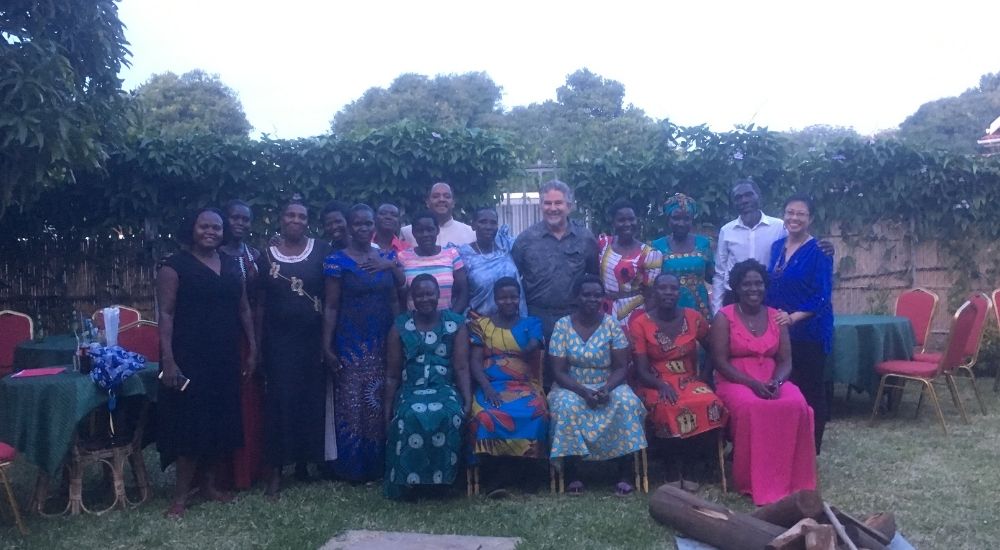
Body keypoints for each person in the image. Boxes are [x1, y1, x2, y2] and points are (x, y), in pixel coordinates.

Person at [157, 207, 256, 518]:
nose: (211, 232)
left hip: (224, 356)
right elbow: (166, 314)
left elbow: (243, 310)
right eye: (204, 227)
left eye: (216, 227)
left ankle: (210, 486)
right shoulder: (174, 267)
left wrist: (253, 348)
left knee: (220, 423)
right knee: (190, 426)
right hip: (190, 356)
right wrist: (168, 360)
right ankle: (181, 496)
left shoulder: (231, 265)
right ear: (193, 229)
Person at [710, 259, 816, 506]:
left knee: (797, 404)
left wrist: (777, 383)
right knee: (752, 407)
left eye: (758, 283)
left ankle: (794, 479)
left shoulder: (776, 317)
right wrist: (752, 384)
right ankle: (752, 479)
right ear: (736, 287)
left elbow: (786, 361)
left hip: (772, 379)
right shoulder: (724, 317)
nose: (753, 289)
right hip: (734, 380)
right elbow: (719, 362)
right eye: (746, 284)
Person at [323, 204, 403, 482]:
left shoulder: (386, 256)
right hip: (350, 341)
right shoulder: (337, 261)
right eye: (357, 224)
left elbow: (396, 298)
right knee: (351, 403)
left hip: (383, 340)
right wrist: (327, 345)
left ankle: (379, 465)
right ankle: (351, 468)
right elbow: (331, 307)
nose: (363, 228)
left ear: (374, 226)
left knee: (380, 400)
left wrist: (400, 334)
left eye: (368, 223)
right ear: (349, 226)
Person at [547, 274, 647, 495]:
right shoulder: (562, 326)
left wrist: (606, 388)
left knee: (627, 402)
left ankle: (624, 471)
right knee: (566, 406)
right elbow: (558, 370)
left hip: (607, 382)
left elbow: (621, 366)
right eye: (586, 295)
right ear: (576, 297)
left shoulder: (611, 324)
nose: (592, 299)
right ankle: (573, 473)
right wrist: (583, 391)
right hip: (571, 384)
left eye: (597, 295)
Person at [256, 200, 330, 499]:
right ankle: (275, 471)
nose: (296, 220)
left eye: (302, 216)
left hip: (312, 340)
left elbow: (332, 297)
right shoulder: (265, 254)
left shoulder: (322, 250)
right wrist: (259, 344)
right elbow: (260, 302)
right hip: (278, 342)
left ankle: (304, 465)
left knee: (310, 401)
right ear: (281, 218)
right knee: (279, 404)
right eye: (290, 215)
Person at [630, 273, 727, 485]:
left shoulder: (693, 318)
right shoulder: (640, 324)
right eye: (662, 288)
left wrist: (704, 377)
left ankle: (696, 463)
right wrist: (659, 384)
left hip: (689, 379)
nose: (668, 293)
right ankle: (671, 465)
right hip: (654, 381)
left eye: (673, 289)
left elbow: (713, 349)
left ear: (679, 292)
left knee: (711, 402)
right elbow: (641, 369)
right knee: (668, 405)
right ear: (654, 292)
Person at [383, 274, 471, 499]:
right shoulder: (401, 326)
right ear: (412, 297)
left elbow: (461, 367)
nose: (425, 299)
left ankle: (444, 483)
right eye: (419, 294)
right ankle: (409, 483)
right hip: (411, 389)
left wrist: (467, 400)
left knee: (449, 414)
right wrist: (387, 409)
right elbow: (392, 374)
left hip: (444, 388)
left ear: (439, 295)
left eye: (429, 293)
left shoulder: (455, 324)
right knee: (408, 415)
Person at [766, 195, 833, 453]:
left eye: (801, 214)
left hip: (809, 331)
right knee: (786, 386)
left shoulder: (819, 251)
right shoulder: (776, 247)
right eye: (790, 212)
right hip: (780, 330)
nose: (794, 218)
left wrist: (793, 317)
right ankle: (788, 440)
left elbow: (823, 296)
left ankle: (811, 446)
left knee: (811, 388)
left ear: (810, 219)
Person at [712, 180, 833, 313]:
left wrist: (823, 246)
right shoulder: (727, 230)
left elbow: (800, 240)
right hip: (734, 298)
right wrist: (717, 311)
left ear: (759, 196)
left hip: (765, 298)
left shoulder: (779, 226)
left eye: (748, 195)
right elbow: (720, 273)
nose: (744, 200)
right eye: (738, 198)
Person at [468, 277, 548, 469]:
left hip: (525, 385)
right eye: (503, 297)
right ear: (495, 299)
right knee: (485, 413)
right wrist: (486, 388)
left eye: (514, 297)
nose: (509, 301)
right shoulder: (482, 325)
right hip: (490, 385)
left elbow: (534, 344)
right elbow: (475, 361)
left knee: (537, 411)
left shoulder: (531, 323)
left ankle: (528, 471)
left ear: (520, 298)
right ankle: (495, 471)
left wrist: (511, 351)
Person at [512, 180, 599, 340]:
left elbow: (595, 277)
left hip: (575, 318)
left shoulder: (585, 238)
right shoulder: (525, 240)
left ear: (569, 206)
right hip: (536, 317)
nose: (553, 208)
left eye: (558, 203)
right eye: (547, 203)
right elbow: (513, 278)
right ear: (541, 205)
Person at [218, 199, 265, 491]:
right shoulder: (213, 254)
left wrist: (257, 340)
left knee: (249, 402)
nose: (240, 223)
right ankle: (220, 473)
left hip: (248, 337)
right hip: (220, 337)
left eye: (245, 219)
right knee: (225, 402)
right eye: (235, 217)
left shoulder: (255, 255)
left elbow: (258, 301)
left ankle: (249, 469)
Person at [598, 199, 661, 332]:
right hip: (604, 310)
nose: (627, 224)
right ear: (613, 222)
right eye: (621, 220)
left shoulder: (649, 254)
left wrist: (648, 325)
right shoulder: (603, 244)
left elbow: (651, 295)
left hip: (634, 314)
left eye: (631, 219)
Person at [651, 193, 714, 319]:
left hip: (700, 309)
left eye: (686, 218)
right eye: (676, 218)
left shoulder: (703, 243)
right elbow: (652, 284)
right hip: (668, 310)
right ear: (668, 219)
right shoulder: (657, 246)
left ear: (692, 220)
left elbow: (712, 276)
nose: (681, 223)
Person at [457, 207, 526, 318]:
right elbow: (459, 292)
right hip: (479, 325)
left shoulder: (507, 247)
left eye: (493, 223)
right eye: (483, 222)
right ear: (473, 225)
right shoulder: (464, 255)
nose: (488, 227)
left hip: (513, 322)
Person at [397, 211, 469, 312]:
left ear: (437, 230)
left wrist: (452, 318)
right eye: (420, 231)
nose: (425, 234)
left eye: (430, 230)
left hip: (446, 322)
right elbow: (400, 294)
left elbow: (463, 291)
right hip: (414, 322)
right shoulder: (403, 257)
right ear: (413, 232)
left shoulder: (452, 254)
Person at [400, 182, 475, 246]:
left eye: (447, 196)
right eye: (436, 196)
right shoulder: (407, 233)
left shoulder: (470, 233)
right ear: (427, 202)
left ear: (453, 202)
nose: (441, 200)